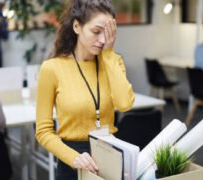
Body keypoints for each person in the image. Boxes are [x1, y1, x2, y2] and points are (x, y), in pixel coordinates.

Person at [35, 0, 135, 179]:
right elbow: (43, 131)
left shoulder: (113, 62)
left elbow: (125, 104)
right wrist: (73, 158)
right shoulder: (52, 69)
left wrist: (109, 55)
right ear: (77, 26)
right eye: (96, 32)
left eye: (107, 33)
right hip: (72, 160)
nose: (103, 40)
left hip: (109, 155)